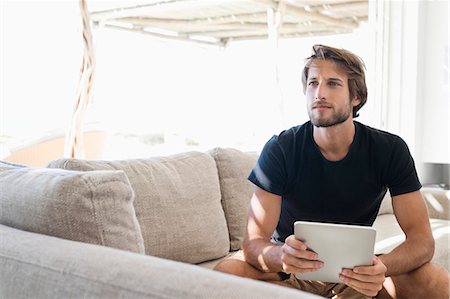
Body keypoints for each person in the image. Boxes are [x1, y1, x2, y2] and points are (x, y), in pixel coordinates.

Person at [214, 44, 449, 298]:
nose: (319, 93)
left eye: (333, 84)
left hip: (358, 272)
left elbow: (422, 240)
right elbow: (253, 243)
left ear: (356, 96)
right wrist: (281, 255)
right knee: (225, 273)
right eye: (313, 83)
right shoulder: (281, 148)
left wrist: (381, 267)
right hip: (292, 269)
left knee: (436, 281)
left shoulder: (390, 149)